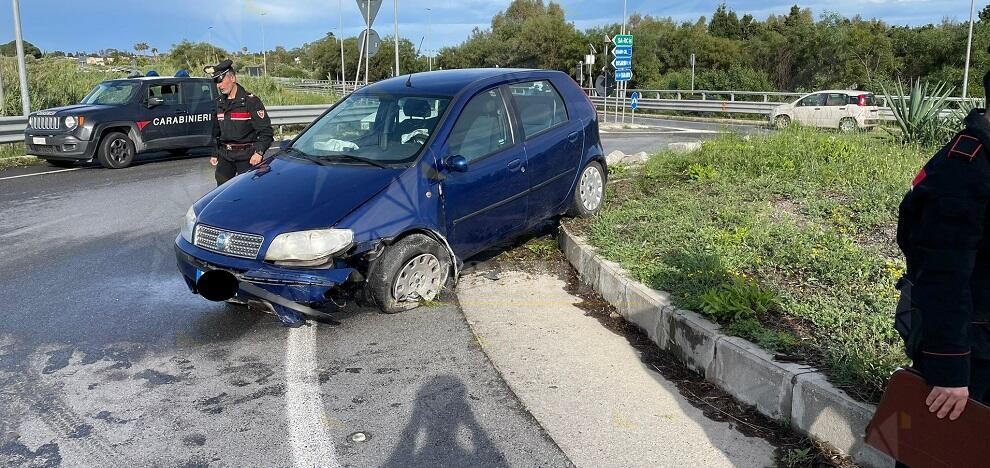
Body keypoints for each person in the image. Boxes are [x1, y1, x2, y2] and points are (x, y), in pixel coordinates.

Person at [895, 70, 990, 429]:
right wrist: (949, 366)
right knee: (939, 450)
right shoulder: (966, 166)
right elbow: (942, 273)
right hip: (970, 348)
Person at [204, 59, 273, 186]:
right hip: (226, 155)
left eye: (220, 80)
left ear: (232, 78)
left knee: (247, 191)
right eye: (215, 82)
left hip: (247, 156)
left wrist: (259, 152)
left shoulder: (250, 101)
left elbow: (266, 132)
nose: (218, 85)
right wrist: (215, 153)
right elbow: (217, 132)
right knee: (222, 191)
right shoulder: (219, 103)